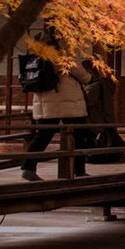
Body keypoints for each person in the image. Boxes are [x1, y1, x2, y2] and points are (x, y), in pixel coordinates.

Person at [21, 33, 92, 180]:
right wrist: (89, 77)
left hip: (45, 99)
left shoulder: (39, 55)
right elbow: (80, 73)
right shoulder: (63, 54)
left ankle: (28, 167)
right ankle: (79, 170)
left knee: (43, 135)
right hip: (67, 99)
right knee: (79, 134)